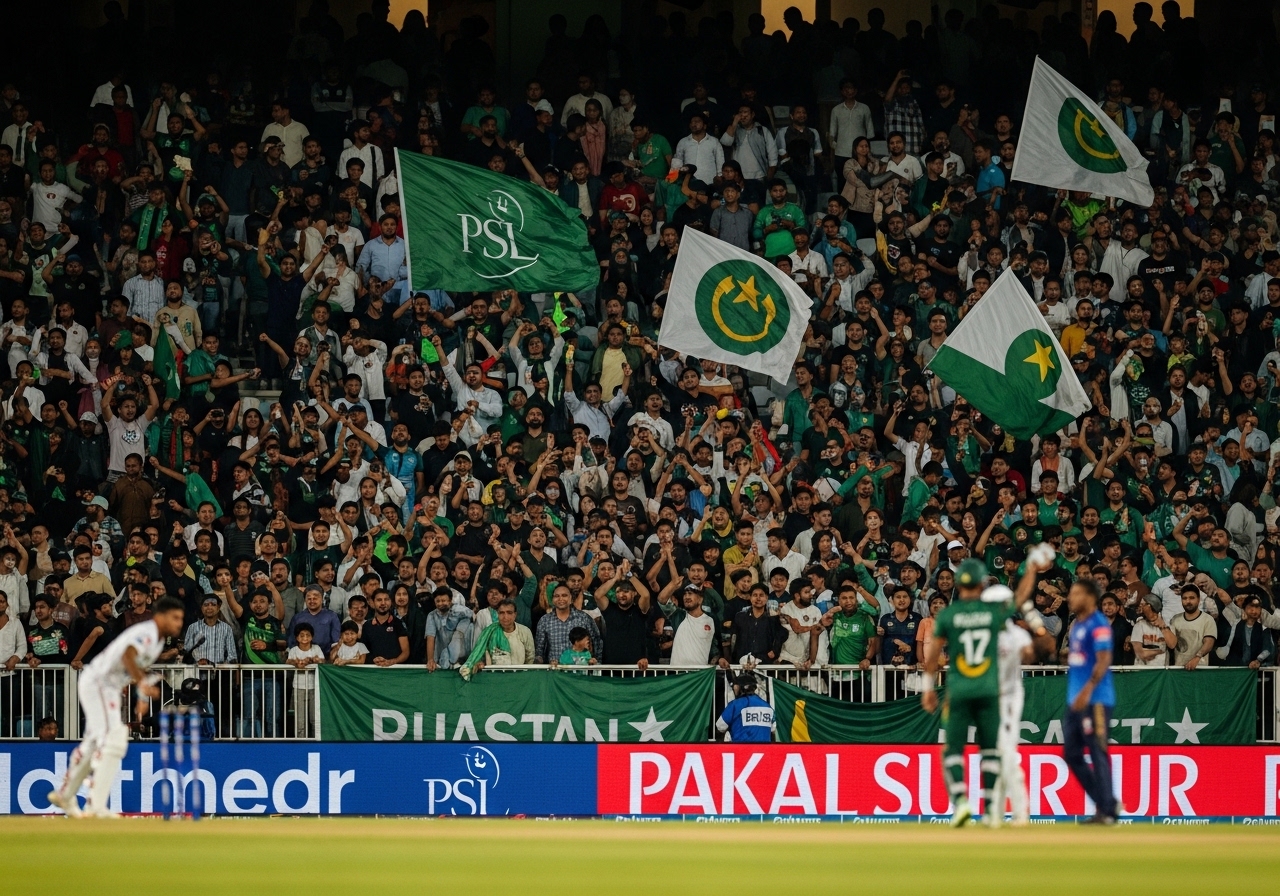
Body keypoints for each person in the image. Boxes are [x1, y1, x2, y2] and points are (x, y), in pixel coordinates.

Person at [47, 596, 185, 817]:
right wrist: (142, 683)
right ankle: (96, 806)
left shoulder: (157, 640)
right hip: (100, 683)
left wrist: (141, 696)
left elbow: (135, 667)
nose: (179, 623)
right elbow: (127, 654)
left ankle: (66, 793)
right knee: (114, 738)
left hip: (106, 687)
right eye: (175, 618)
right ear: (160, 616)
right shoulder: (148, 632)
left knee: (94, 742)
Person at [920, 558, 1007, 826]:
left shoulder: (948, 615)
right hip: (990, 690)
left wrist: (928, 687)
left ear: (958, 584)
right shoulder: (994, 612)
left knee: (953, 749)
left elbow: (934, 652)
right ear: (982, 583)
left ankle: (960, 803)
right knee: (991, 750)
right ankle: (992, 809)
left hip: (958, 690)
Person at [1063, 576, 1119, 824]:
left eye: (1074, 594)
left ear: (1088, 597)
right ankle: (1105, 803)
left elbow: (1104, 659)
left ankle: (1106, 810)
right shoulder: (1077, 625)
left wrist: (1087, 691)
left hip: (1095, 699)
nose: (1069, 598)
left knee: (1097, 750)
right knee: (1071, 753)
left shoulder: (1099, 624)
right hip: (1075, 700)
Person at [715, 672, 775, 742]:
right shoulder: (767, 706)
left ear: (741, 687)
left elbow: (720, 727)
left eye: (736, 685)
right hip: (765, 751)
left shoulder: (735, 705)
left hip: (741, 750)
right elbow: (773, 728)